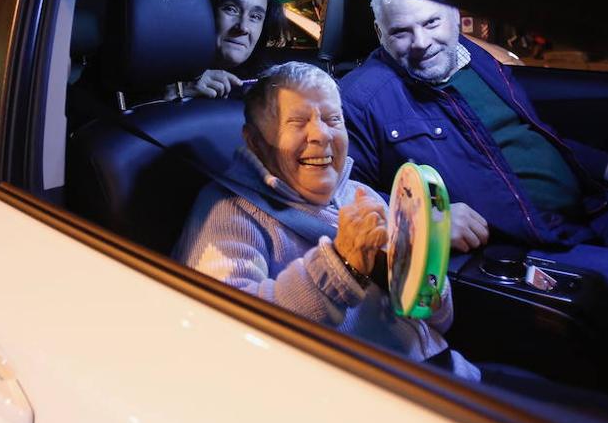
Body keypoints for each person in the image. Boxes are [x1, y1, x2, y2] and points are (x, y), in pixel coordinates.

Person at [340, 0, 608, 306]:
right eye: (400, 32)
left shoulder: (473, 57)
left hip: (590, 207)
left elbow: (525, 133)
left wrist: (603, 164)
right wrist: (428, 220)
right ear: (379, 33)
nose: (422, 43)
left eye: (431, 23)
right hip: (529, 246)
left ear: (454, 15)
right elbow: (343, 196)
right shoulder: (361, 98)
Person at [173, 61, 479, 380]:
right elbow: (224, 334)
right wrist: (339, 266)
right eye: (297, 121)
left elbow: (437, 321)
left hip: (446, 370)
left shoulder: (359, 194)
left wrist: (421, 271)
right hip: (373, 397)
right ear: (256, 142)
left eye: (333, 119)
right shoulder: (230, 213)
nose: (321, 134)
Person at [172, 0, 289, 99]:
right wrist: (176, 89)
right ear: (202, 9)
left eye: (255, 16)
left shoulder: (269, 89)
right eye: (231, 9)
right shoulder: (156, 74)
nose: (243, 27)